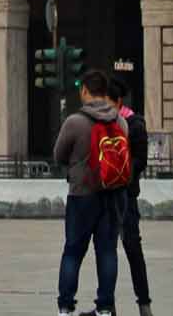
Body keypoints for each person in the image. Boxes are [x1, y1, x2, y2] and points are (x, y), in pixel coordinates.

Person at [50, 68, 127, 316]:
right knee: (107, 252)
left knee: (73, 251)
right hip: (113, 194)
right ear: (104, 92)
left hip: (82, 194)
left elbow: (58, 155)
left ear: (84, 91)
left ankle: (65, 307)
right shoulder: (120, 121)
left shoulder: (75, 122)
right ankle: (105, 308)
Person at [104, 80, 151, 316]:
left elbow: (141, 160)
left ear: (118, 101)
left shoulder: (135, 125)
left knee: (133, 249)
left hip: (126, 195)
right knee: (107, 250)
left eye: (107, 101)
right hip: (105, 196)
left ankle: (144, 304)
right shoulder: (103, 124)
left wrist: (122, 174)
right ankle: (107, 305)